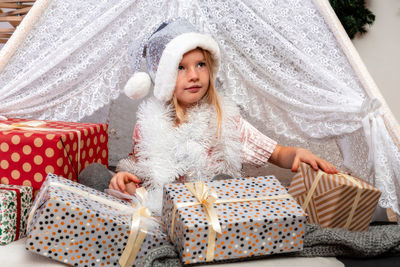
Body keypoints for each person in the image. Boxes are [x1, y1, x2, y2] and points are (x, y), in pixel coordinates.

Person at [106, 19, 337, 212]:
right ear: (163, 76)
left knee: (222, 188)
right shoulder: (149, 123)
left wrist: (296, 153)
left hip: (214, 212)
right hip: (166, 210)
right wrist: (125, 178)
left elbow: (276, 153)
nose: (194, 75)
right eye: (181, 67)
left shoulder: (224, 120)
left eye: (200, 65)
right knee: (100, 177)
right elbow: (139, 168)